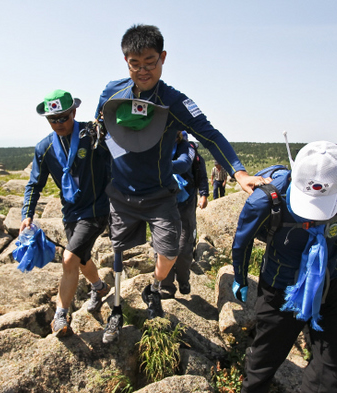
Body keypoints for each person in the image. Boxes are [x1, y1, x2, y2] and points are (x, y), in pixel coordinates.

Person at [95, 24, 267, 344]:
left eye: (150, 62)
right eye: (135, 63)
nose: (143, 70)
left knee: (171, 252)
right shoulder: (112, 92)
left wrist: (239, 172)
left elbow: (211, 135)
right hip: (121, 193)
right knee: (118, 254)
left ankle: (154, 286)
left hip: (160, 193)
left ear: (163, 58)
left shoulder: (174, 101)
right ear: (125, 61)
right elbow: (99, 127)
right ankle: (116, 311)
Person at [231, 141, 337, 393]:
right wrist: (240, 277)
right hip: (280, 290)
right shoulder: (264, 199)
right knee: (262, 365)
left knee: (331, 372)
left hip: (327, 287)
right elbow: (242, 241)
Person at [21, 89, 112, 338]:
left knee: (69, 258)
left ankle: (60, 316)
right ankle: (100, 287)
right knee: (81, 258)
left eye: (63, 117)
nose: (59, 123)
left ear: (74, 112)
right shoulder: (45, 147)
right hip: (70, 211)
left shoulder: (90, 134)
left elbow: (118, 154)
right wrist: (27, 214)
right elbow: (34, 184)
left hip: (97, 208)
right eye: (53, 119)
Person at [159, 131, 209, 299]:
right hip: (163, 202)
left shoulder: (189, 151)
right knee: (163, 244)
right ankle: (166, 284)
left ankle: (183, 279)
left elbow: (200, 174)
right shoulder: (157, 147)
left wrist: (204, 194)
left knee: (183, 246)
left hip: (186, 202)